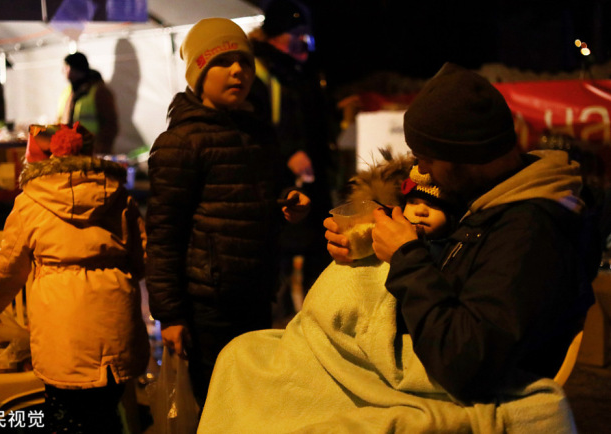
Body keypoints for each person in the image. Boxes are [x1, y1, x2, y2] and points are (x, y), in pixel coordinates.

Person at [198, 151, 576, 432]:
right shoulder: (417, 225)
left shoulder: (503, 237)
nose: (422, 213)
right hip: (329, 337)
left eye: (434, 205)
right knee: (241, 353)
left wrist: (405, 254)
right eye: (415, 204)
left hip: (410, 354)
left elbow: (451, 333)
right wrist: (364, 235)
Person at [325, 62, 599, 404]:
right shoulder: (491, 199)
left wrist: (405, 257)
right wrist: (369, 240)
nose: (419, 170)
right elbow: (458, 258)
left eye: (426, 158)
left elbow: (464, 365)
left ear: (466, 156)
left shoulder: (530, 236)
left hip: (466, 393)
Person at [145, 17, 311, 408]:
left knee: (253, 398)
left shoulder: (258, 133)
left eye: (245, 62)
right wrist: (170, 316)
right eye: (223, 62)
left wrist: (289, 200)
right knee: (218, 403)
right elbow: (164, 235)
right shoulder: (179, 143)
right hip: (207, 306)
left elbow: (269, 189)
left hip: (257, 292)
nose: (239, 70)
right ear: (198, 73)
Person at [0, 122, 149, 433]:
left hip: (62, 331)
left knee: (66, 418)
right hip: (116, 325)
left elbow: (8, 267)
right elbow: (143, 257)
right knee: (106, 414)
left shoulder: (30, 202)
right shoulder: (119, 196)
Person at [247, 0, 337, 319]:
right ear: (273, 36)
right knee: (282, 258)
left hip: (314, 179)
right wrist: (289, 153)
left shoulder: (303, 72)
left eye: (306, 35)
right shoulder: (258, 71)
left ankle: (318, 319)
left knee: (317, 249)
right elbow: (258, 126)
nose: (303, 42)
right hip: (279, 184)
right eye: (294, 34)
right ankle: (283, 324)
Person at [58, 52, 118, 155]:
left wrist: (100, 149)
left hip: (92, 153)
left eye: (66, 67)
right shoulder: (68, 92)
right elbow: (60, 120)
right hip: (70, 152)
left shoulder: (99, 91)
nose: (63, 71)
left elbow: (110, 125)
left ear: (74, 69)